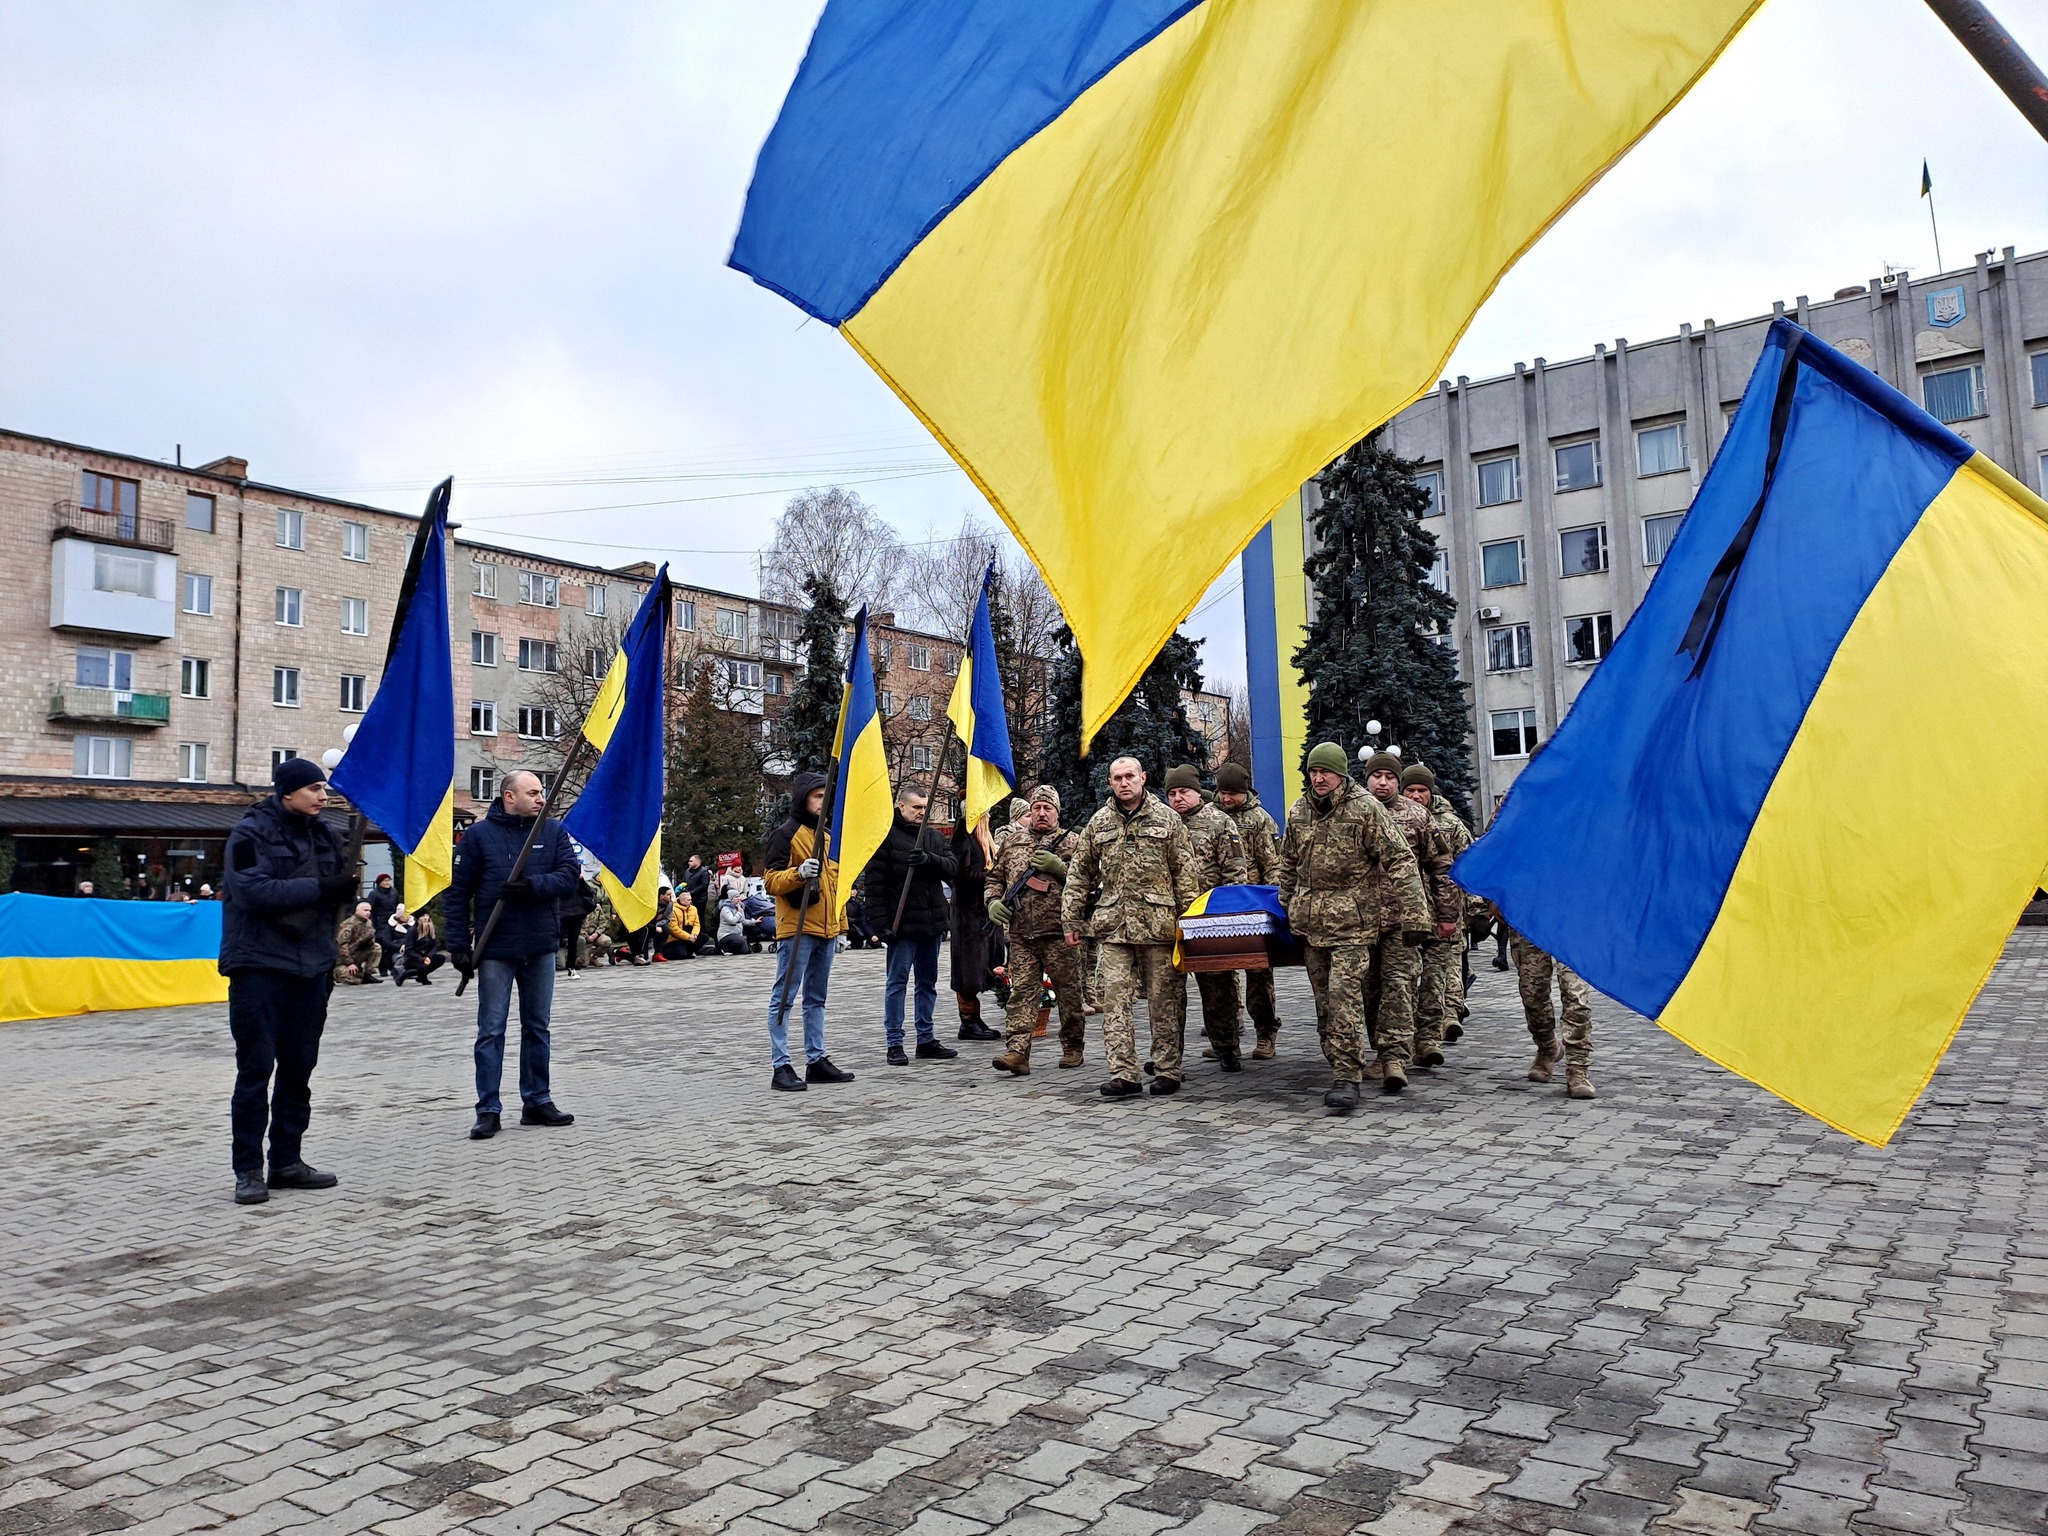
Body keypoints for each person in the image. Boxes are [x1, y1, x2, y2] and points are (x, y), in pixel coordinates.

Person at [218, 756, 357, 1206]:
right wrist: (322, 889)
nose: (324, 796)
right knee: (256, 1069)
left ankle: (287, 1161)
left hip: (310, 967)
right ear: (287, 793)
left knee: (299, 1069)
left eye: (324, 788)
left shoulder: (326, 835)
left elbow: (334, 890)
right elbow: (251, 891)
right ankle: (248, 1170)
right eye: (314, 789)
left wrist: (341, 889)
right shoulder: (250, 833)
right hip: (259, 965)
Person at [1276, 743, 1428, 1114]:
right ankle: (1338, 1060)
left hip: (1353, 924)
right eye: (1313, 772)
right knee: (1325, 1004)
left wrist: (1415, 915)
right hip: (1311, 924)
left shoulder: (1365, 809)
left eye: (1325, 771)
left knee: (1345, 998)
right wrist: (1285, 904)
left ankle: (1347, 1077)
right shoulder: (1299, 811)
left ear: (1341, 773)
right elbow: (1288, 863)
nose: (1319, 778)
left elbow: (1401, 861)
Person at [445, 771, 584, 1140]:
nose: (541, 798)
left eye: (542, 792)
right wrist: (459, 946)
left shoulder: (551, 832)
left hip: (539, 945)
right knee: (491, 1031)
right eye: (533, 792)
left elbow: (570, 877)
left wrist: (531, 886)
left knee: (538, 1027)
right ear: (509, 796)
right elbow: (457, 893)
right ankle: (488, 1108)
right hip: (496, 949)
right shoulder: (478, 837)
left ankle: (537, 1099)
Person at [1062, 757, 1197, 1100]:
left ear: (1143, 778)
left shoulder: (1167, 820)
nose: (1124, 783)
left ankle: (1167, 1068)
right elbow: (1080, 873)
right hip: (1114, 926)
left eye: (1130, 776)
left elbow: (1185, 873)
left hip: (1159, 926)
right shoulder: (1100, 822)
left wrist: (1191, 922)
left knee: (1164, 1001)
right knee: (1114, 1001)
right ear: (1110, 782)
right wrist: (1071, 918)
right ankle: (1124, 1073)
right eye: (1117, 778)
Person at [1361, 752, 1459, 1080]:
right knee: (1369, 987)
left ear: (1397, 781)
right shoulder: (1355, 811)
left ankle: (1394, 1056)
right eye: (1378, 776)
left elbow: (1441, 867)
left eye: (1390, 777)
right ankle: (1380, 1046)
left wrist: (1447, 914)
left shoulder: (1417, 815)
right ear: (1368, 779)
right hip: (1361, 920)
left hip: (1407, 919)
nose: (1383, 782)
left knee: (1398, 984)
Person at [762, 771, 855, 1090]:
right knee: (784, 997)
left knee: (817, 998)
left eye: (825, 796)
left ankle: (816, 1059)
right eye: (817, 796)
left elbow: (836, 886)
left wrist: (842, 927)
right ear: (803, 798)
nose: (823, 801)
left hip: (826, 930)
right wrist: (798, 874)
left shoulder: (829, 836)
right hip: (797, 929)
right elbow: (771, 881)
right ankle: (781, 1064)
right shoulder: (786, 833)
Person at [987, 784, 1086, 1075]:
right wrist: (992, 902)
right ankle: (1017, 1052)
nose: (1041, 813)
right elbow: (994, 879)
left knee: (1069, 994)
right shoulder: (1012, 842)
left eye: (1048, 808)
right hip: (1021, 934)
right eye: (1037, 808)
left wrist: (1060, 869)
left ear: (1057, 812)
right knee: (1022, 994)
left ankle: (1072, 1046)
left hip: (1060, 933)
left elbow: (1090, 883)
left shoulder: (1074, 843)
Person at [862, 789, 959, 1066]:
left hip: (931, 923)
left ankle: (926, 1038)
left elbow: (952, 867)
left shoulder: (933, 836)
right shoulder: (886, 838)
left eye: (925, 807)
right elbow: (874, 886)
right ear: (900, 806)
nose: (921, 812)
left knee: (927, 984)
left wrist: (931, 859)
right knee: (897, 983)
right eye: (916, 807)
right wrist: (880, 926)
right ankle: (895, 1041)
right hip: (901, 926)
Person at [1163, 764, 1250, 1070]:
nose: (1178, 798)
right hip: (1167, 920)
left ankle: (1226, 1046)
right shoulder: (1163, 823)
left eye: (1183, 791)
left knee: (1217, 988)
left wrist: (1226, 917)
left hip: (1207, 921)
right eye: (1172, 793)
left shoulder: (1219, 823)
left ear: (1197, 791)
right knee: (1168, 995)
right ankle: (1168, 1059)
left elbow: (1236, 874)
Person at [1402, 764, 1474, 1062]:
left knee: (1441, 974)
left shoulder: (1451, 825)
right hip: (1405, 916)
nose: (1417, 796)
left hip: (1444, 910)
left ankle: (1443, 1021)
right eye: (1411, 790)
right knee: (1405, 980)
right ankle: (1407, 1037)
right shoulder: (1390, 819)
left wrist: (1475, 908)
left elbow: (1466, 865)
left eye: (1422, 791)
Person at [1213, 763, 1284, 1058]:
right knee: (1220, 976)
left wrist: (1274, 903)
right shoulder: (1211, 817)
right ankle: (1227, 1037)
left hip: (1253, 906)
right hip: (1219, 907)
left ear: (1245, 792)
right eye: (1223, 792)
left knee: (1258, 976)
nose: (1227, 799)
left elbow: (1273, 865)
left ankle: (1266, 1033)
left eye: (1233, 793)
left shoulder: (1259, 820)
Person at [1508, 926, 1597, 1099]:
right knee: (1533, 994)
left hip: (1573, 919)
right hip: (1530, 917)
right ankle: (1548, 1047)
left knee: (1576, 997)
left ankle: (1577, 1067)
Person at [948, 817, 1005, 1042]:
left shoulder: (982, 839)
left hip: (982, 914)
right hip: (967, 916)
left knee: (987, 966)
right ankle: (968, 1020)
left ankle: (974, 1019)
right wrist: (992, 877)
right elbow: (960, 875)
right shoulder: (963, 839)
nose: (989, 816)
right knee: (967, 971)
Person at [333, 901, 379, 985]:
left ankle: (367, 974)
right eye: (365, 910)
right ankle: (335, 975)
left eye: (369, 911)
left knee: (376, 947)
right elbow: (342, 945)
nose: (368, 913)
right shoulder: (349, 924)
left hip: (357, 953)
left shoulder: (368, 923)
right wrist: (349, 963)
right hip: (343, 959)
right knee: (353, 981)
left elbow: (371, 941)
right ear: (357, 911)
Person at [559, 872, 595, 977]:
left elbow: (588, 892)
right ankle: (558, 964)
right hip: (562, 913)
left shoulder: (577, 879)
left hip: (576, 913)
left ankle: (571, 967)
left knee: (573, 941)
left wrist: (581, 880)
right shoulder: (559, 877)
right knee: (557, 939)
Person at [365, 872, 399, 975]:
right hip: (380, 923)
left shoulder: (394, 892)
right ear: (379, 882)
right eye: (385, 880)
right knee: (382, 946)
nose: (387, 882)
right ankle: (383, 969)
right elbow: (370, 910)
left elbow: (397, 905)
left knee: (391, 946)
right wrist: (371, 924)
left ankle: (393, 968)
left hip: (392, 922)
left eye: (388, 880)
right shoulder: (374, 894)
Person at [400, 911, 447, 985]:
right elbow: (409, 949)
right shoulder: (412, 931)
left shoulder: (431, 929)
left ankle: (421, 976)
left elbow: (436, 945)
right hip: (413, 958)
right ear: (418, 919)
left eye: (426, 915)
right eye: (423, 916)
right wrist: (421, 958)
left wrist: (428, 956)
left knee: (440, 958)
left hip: (426, 956)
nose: (425, 918)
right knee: (423, 967)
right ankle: (406, 974)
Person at [661, 890, 702, 959]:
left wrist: (694, 934)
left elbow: (696, 924)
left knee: (703, 937)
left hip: (689, 934)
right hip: (675, 939)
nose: (690, 902)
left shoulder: (693, 909)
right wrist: (688, 937)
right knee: (680, 955)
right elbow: (673, 928)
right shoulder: (673, 909)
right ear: (682, 900)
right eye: (688, 900)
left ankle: (690, 951)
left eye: (691, 899)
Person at [714, 888, 752, 955]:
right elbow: (732, 921)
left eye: (739, 896)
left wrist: (754, 922)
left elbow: (742, 921)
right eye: (736, 897)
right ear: (731, 898)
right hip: (725, 935)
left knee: (745, 951)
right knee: (739, 941)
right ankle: (724, 949)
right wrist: (739, 913)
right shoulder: (725, 908)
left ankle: (731, 950)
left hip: (738, 935)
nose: (738, 898)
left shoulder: (739, 907)